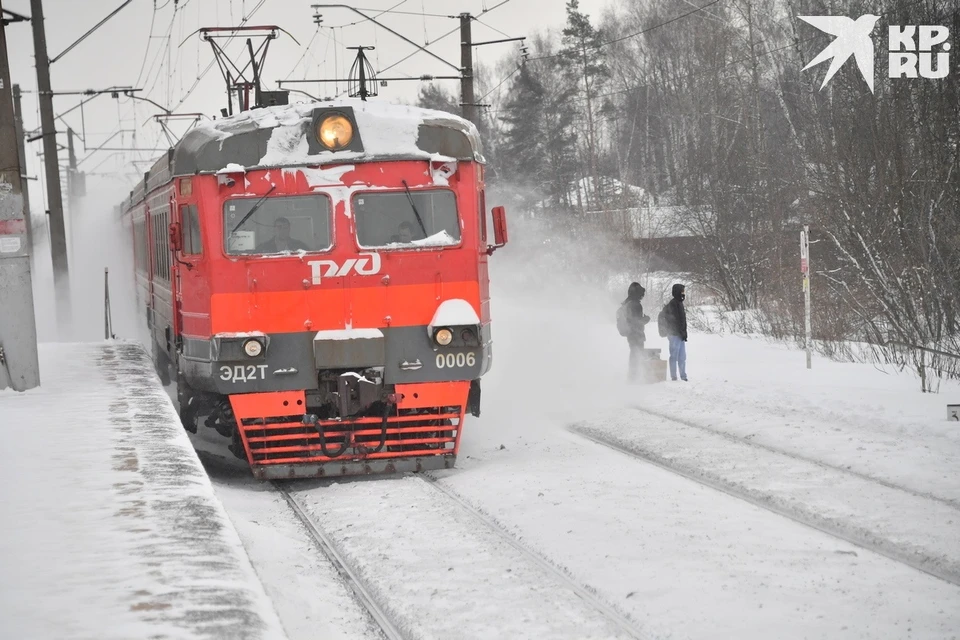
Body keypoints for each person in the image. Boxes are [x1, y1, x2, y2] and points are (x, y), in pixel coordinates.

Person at [622, 282, 650, 381]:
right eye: (641, 294)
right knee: (637, 354)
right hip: (636, 333)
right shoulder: (636, 304)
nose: (642, 297)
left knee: (634, 354)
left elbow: (631, 320)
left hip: (631, 333)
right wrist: (646, 319)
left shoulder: (628, 302)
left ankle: (633, 376)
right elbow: (636, 321)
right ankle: (634, 377)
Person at [662, 283, 688, 381]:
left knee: (682, 356)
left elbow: (682, 320)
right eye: (682, 291)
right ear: (677, 292)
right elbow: (675, 320)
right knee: (674, 356)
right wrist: (679, 331)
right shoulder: (673, 304)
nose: (683, 293)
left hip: (680, 334)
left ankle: (683, 376)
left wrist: (683, 333)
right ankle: (674, 376)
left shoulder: (679, 303)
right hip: (674, 334)